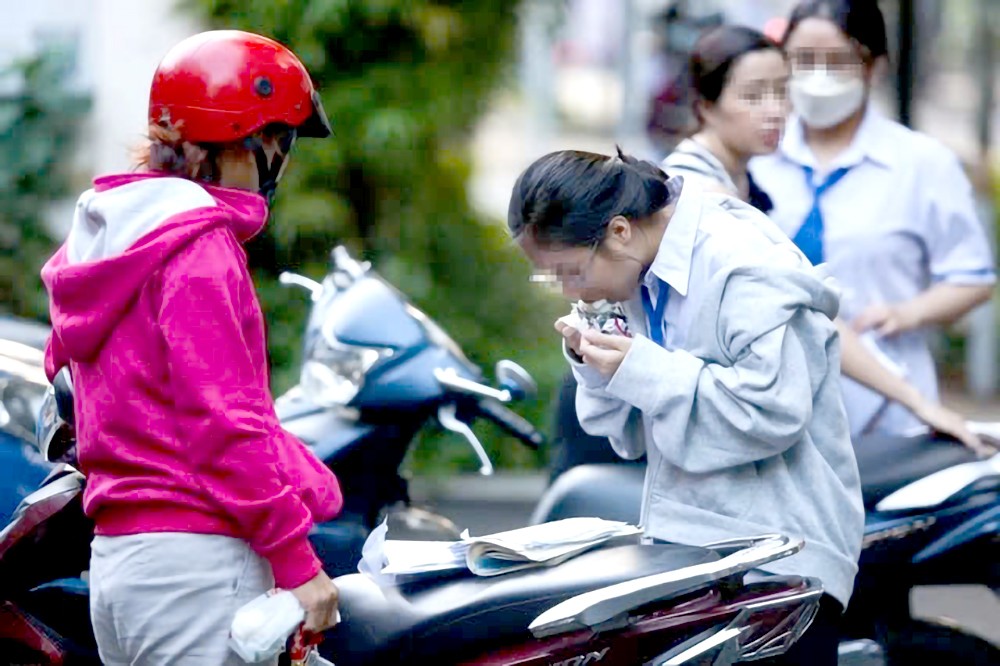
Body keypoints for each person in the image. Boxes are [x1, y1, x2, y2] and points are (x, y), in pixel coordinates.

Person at [40, 30, 342, 665]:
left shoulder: (105, 238)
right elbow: (227, 426)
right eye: (280, 139)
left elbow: (66, 380)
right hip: (197, 569)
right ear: (250, 137)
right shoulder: (196, 250)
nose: (281, 160)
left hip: (120, 568)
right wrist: (298, 564)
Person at [508, 148, 864, 665]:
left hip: (780, 560)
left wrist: (641, 368)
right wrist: (599, 363)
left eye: (570, 272)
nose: (567, 290)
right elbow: (631, 437)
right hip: (698, 550)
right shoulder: (641, 270)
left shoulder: (741, 262)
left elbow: (771, 413)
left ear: (620, 231)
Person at [662, 22, 992, 454]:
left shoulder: (745, 176)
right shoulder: (704, 193)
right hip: (712, 426)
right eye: (754, 95)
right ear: (705, 105)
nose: (776, 109)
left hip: (785, 414)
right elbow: (809, 310)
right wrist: (920, 403)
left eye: (782, 91)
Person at [750, 0, 996, 441]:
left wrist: (907, 313)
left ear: (874, 66)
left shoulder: (922, 164)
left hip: (888, 409)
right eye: (802, 60)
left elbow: (973, 277)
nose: (818, 75)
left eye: (838, 60)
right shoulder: (755, 156)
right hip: (766, 400)